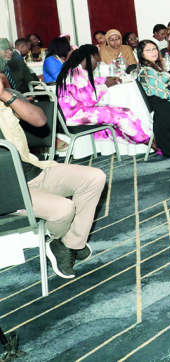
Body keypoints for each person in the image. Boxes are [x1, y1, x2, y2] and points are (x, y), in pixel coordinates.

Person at [0, 74, 106, 279]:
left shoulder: (6, 97)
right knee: (64, 209)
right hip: (10, 190)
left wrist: (5, 95)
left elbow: (40, 120)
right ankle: (66, 242)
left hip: (36, 169)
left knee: (94, 177)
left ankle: (68, 244)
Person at [56, 45, 150, 150]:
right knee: (121, 116)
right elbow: (89, 101)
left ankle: (149, 140)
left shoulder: (77, 70)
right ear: (91, 56)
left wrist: (105, 79)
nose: (96, 65)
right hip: (75, 116)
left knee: (125, 111)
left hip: (77, 112)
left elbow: (90, 81)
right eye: (97, 61)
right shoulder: (77, 74)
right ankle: (150, 142)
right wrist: (105, 85)